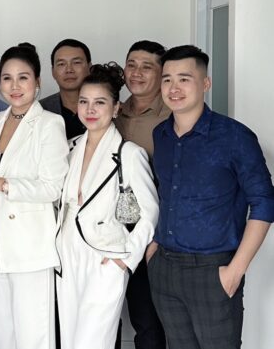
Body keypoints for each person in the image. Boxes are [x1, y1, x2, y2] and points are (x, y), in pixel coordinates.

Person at [147, 45, 274, 349]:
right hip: (164, 267)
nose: (174, 88)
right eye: (167, 79)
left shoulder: (234, 136)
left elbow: (264, 202)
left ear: (205, 83)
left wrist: (235, 271)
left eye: (184, 79)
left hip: (213, 269)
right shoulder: (161, 135)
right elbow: (164, 195)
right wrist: (153, 251)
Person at [0, 43, 69, 349]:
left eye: (23, 77)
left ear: (37, 81)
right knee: (4, 336)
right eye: (7, 78)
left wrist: (2, 184)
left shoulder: (49, 124)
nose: (15, 86)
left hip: (29, 246)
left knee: (33, 336)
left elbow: (53, 187)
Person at [56, 63, 159, 349]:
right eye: (84, 102)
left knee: (93, 341)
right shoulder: (69, 148)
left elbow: (150, 213)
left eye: (100, 102)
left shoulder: (129, 154)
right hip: (67, 253)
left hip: (105, 256)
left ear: (115, 108)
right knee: (70, 339)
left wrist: (125, 259)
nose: (90, 109)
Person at [114, 40, 169, 349]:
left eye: (146, 67)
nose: (136, 72)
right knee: (114, 313)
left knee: (151, 320)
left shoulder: (172, 116)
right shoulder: (112, 111)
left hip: (153, 233)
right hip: (114, 231)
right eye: (131, 65)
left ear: (161, 74)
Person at [41, 39, 92, 142]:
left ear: (90, 68)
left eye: (76, 62)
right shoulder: (40, 110)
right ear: (53, 72)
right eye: (61, 64)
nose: (69, 70)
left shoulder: (109, 109)